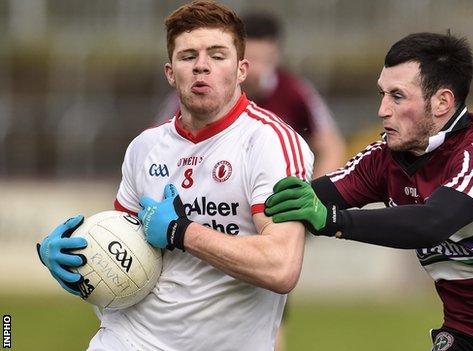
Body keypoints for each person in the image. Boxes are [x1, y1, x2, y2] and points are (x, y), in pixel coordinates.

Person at [264, 32, 473, 350]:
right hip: (469, 336)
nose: (382, 109)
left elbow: (433, 222)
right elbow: (308, 198)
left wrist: (334, 221)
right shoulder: (383, 159)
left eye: (397, 96)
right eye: (382, 94)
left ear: (442, 102)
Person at [36, 1, 313, 350]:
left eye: (217, 55)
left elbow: (281, 267)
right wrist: (73, 256)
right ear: (170, 72)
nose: (201, 66)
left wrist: (181, 232)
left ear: (242, 69)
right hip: (127, 339)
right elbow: (125, 250)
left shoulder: (270, 143)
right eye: (187, 57)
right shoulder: (144, 147)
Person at [155, 11, 346, 179]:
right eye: (252, 59)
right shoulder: (197, 92)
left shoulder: (296, 92)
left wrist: (311, 199)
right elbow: (158, 147)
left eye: (266, 60)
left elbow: (332, 148)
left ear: (277, 56)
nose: (257, 71)